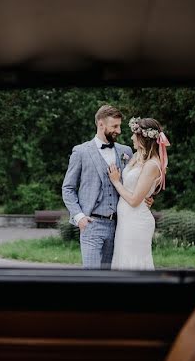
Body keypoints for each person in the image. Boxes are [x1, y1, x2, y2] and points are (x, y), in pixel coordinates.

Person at [62, 105, 153, 269]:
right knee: (91, 276)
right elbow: (67, 188)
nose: (119, 131)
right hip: (91, 224)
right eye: (115, 126)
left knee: (110, 277)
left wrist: (145, 198)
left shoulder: (126, 151)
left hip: (119, 226)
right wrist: (79, 217)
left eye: (119, 126)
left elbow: (138, 181)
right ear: (101, 124)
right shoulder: (81, 151)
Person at [107, 117, 170, 270]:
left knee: (133, 265)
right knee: (122, 263)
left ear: (143, 137)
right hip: (125, 221)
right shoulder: (136, 156)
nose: (131, 138)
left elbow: (135, 200)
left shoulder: (152, 164)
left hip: (136, 223)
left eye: (134, 134)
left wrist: (116, 181)